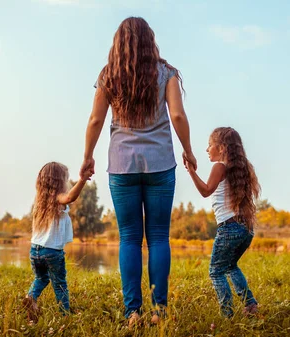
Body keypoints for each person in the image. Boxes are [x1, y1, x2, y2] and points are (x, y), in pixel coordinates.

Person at [81, 17, 196, 326]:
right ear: (150, 41)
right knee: (159, 237)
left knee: (130, 238)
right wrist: (188, 149)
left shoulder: (109, 76)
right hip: (160, 164)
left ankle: (133, 312)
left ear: (118, 43)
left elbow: (95, 120)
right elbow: (178, 115)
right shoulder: (167, 73)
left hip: (122, 166)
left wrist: (87, 156)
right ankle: (158, 312)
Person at [185, 127, 260, 317]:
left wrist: (191, 171)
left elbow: (205, 191)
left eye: (210, 145)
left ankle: (228, 314)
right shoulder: (241, 168)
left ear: (221, 148)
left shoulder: (219, 167)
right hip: (245, 229)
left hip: (229, 228)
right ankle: (250, 305)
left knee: (216, 272)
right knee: (230, 266)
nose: (207, 149)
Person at [22, 162, 92, 322]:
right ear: (59, 181)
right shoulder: (57, 199)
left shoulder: (39, 202)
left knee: (41, 278)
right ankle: (64, 315)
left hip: (35, 251)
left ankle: (30, 297)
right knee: (60, 284)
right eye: (66, 179)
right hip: (52, 252)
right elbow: (70, 197)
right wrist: (82, 180)